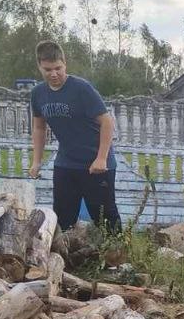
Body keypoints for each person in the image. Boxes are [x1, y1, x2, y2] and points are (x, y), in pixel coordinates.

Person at [27, 40, 121, 231]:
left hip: (96, 164)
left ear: (65, 63)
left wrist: (101, 158)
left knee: (105, 218)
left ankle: (121, 259)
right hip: (66, 163)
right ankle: (62, 259)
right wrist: (36, 161)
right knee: (61, 218)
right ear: (39, 67)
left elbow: (107, 122)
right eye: (47, 69)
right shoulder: (38, 94)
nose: (53, 74)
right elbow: (39, 127)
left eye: (57, 68)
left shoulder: (81, 89)